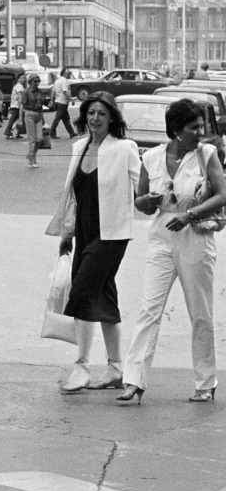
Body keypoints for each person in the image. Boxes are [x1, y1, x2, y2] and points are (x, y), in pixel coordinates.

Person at [120, 97, 223, 404]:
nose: (201, 132)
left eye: (202, 125)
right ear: (176, 130)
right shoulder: (150, 158)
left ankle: (206, 382)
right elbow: (138, 200)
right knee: (149, 310)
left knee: (200, 313)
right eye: (194, 127)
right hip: (162, 236)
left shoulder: (207, 154)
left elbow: (223, 195)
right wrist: (147, 202)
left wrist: (190, 214)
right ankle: (133, 380)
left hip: (195, 236)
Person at [48, 92, 139, 395]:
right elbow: (73, 197)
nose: (95, 119)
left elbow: (141, 188)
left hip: (112, 234)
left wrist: (155, 200)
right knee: (104, 296)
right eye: (91, 113)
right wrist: (66, 233)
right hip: (84, 232)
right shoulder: (79, 146)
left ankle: (82, 366)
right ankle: (115, 367)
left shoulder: (125, 148)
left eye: (102, 113)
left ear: (112, 117)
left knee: (82, 291)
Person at [20, 74, 47, 168]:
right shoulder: (26, 92)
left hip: (39, 115)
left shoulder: (39, 91)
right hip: (29, 114)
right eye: (35, 81)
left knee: (40, 138)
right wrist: (20, 119)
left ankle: (30, 154)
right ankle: (33, 158)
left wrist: (43, 119)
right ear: (30, 82)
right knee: (32, 139)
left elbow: (41, 105)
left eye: (38, 81)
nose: (37, 83)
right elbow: (22, 106)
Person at [49, 72, 75, 139]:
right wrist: (71, 100)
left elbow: (53, 91)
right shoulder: (64, 81)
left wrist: (52, 100)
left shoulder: (57, 81)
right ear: (64, 74)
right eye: (68, 73)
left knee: (65, 119)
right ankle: (51, 132)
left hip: (58, 101)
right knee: (57, 118)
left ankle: (71, 133)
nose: (69, 74)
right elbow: (65, 91)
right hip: (62, 103)